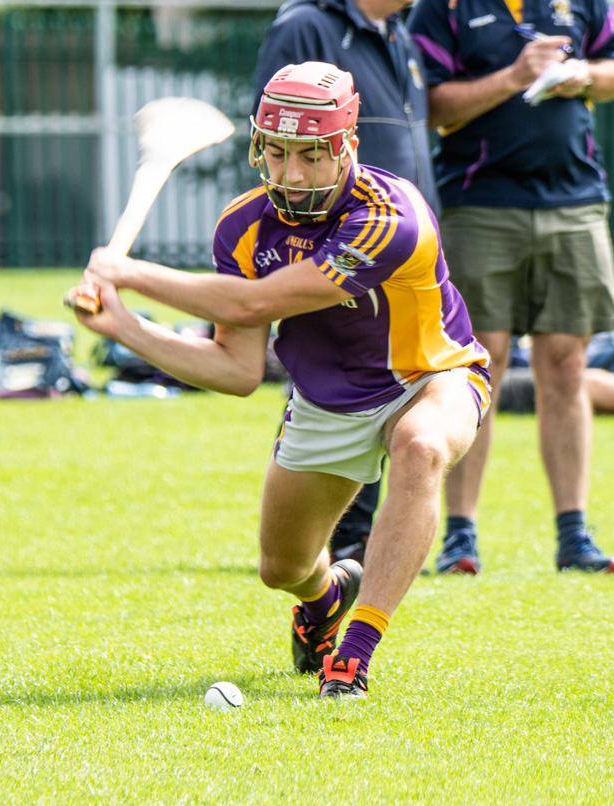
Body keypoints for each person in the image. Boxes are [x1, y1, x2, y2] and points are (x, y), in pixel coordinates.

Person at [68, 62, 491, 699]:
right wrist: (124, 327)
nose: (292, 174)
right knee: (282, 568)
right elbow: (236, 371)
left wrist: (128, 272)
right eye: (278, 152)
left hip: (430, 377)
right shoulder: (242, 229)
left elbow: (252, 304)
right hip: (327, 402)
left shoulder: (390, 216)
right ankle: (325, 597)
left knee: (422, 446)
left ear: (346, 146)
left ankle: (355, 651)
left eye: (311, 155)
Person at [407, 0, 614, 576]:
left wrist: (584, 75)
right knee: (475, 369)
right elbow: (428, 104)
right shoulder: (442, 9)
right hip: (478, 205)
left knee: (567, 365)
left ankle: (574, 537)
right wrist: (514, 77)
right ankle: (459, 537)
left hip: (575, 200)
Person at [253, 0, 437, 566]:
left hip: (396, 249)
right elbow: (274, 132)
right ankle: (337, 541)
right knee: (333, 373)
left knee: (402, 397)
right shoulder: (307, 24)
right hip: (335, 244)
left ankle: (362, 541)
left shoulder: (400, 32)